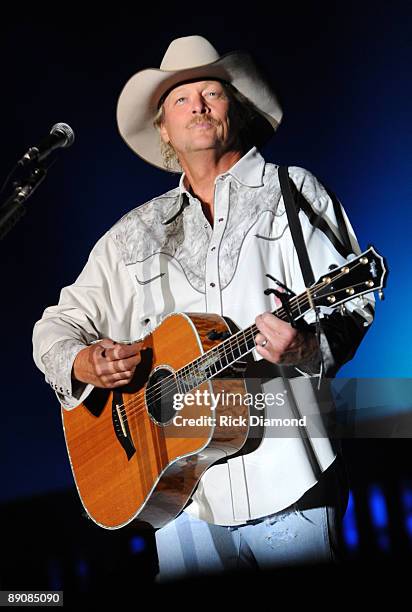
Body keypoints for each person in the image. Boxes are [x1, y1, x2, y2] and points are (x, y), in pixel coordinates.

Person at [32, 35, 375, 582]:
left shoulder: (291, 190)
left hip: (288, 475)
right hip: (181, 498)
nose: (198, 104)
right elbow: (56, 326)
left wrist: (306, 345)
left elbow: (355, 301)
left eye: (212, 92)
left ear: (232, 110)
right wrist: (83, 362)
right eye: (181, 97)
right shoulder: (133, 234)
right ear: (164, 130)